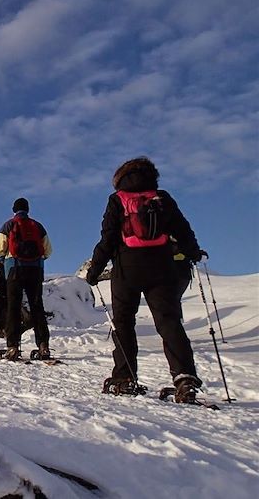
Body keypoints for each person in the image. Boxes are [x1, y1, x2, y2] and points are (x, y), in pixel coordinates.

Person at [86, 157, 206, 403]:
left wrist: (94, 270)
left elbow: (108, 238)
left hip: (126, 269)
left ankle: (125, 376)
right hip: (162, 267)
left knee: (123, 323)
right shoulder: (162, 197)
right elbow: (182, 229)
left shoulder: (117, 200)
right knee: (169, 322)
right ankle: (185, 378)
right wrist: (194, 252)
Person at [0, 198, 52, 360]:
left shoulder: (9, 225)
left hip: (14, 269)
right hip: (35, 270)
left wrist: (3, 259)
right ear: (27, 210)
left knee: (13, 306)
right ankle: (43, 346)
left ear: (14, 210)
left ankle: (12, 347)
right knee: (36, 306)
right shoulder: (37, 226)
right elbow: (48, 251)